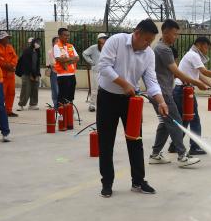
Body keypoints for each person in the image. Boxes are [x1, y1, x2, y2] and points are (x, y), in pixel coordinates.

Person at [95, 19, 168, 198]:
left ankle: (138, 181)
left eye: (151, 41)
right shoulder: (116, 41)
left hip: (130, 101)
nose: (148, 44)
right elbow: (103, 66)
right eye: (146, 40)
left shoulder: (148, 54)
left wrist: (161, 101)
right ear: (136, 33)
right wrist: (124, 83)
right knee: (106, 142)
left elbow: (151, 80)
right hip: (107, 97)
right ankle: (107, 183)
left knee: (135, 140)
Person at [148, 19, 204, 167]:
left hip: (160, 91)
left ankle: (155, 154)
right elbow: (176, 71)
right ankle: (182, 156)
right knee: (176, 121)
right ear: (165, 33)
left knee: (166, 122)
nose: (176, 37)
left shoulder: (160, 48)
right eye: (174, 34)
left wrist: (188, 80)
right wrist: (197, 82)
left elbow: (173, 73)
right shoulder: (164, 49)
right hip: (163, 93)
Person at [174, 36, 211, 155]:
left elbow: (199, 75)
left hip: (181, 90)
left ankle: (175, 145)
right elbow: (205, 72)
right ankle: (195, 147)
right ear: (199, 45)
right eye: (206, 47)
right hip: (184, 91)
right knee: (194, 119)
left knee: (185, 119)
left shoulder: (191, 55)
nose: (207, 51)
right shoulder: (193, 55)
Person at [0, 31, 19, 117]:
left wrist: (12, 65)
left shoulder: (9, 47)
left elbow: (15, 57)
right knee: (0, 95)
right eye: (6, 38)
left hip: (10, 75)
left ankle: (8, 110)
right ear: (0, 39)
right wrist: (7, 66)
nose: (8, 40)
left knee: (11, 93)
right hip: (1, 76)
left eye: (8, 38)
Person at [82, 33, 107, 112]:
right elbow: (84, 53)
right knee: (94, 89)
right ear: (99, 39)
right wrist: (91, 61)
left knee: (104, 89)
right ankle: (92, 105)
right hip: (96, 71)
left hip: (105, 72)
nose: (104, 39)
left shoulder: (108, 47)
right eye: (103, 38)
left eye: (105, 38)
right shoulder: (94, 47)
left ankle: (102, 105)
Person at [53, 28, 78, 107]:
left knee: (71, 96)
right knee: (63, 96)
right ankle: (61, 112)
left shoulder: (71, 46)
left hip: (72, 75)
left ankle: (69, 111)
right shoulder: (56, 46)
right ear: (59, 36)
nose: (67, 37)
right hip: (62, 76)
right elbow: (59, 59)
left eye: (68, 35)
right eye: (65, 35)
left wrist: (67, 62)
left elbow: (77, 58)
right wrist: (72, 59)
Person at [16, 37, 41, 110]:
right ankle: (21, 104)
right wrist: (31, 74)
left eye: (39, 43)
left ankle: (33, 104)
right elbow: (26, 64)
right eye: (36, 42)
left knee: (35, 89)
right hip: (27, 73)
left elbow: (37, 63)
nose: (38, 44)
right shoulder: (27, 51)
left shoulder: (37, 51)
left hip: (35, 73)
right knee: (25, 90)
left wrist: (37, 74)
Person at [45, 36, 59, 108]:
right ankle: (56, 105)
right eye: (56, 41)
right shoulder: (50, 52)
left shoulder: (61, 50)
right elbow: (53, 63)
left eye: (59, 41)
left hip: (62, 73)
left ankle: (61, 104)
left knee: (61, 89)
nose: (58, 43)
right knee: (55, 89)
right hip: (54, 72)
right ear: (53, 43)